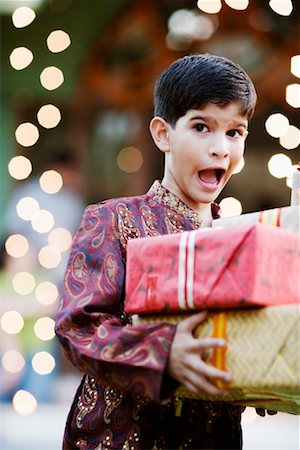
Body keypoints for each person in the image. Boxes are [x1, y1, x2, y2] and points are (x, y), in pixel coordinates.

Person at [56, 54, 262, 449]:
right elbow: (76, 328)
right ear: (163, 134)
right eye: (201, 127)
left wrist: (260, 371)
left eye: (235, 132)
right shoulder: (113, 220)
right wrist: (162, 354)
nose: (221, 148)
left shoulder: (241, 238)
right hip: (118, 437)